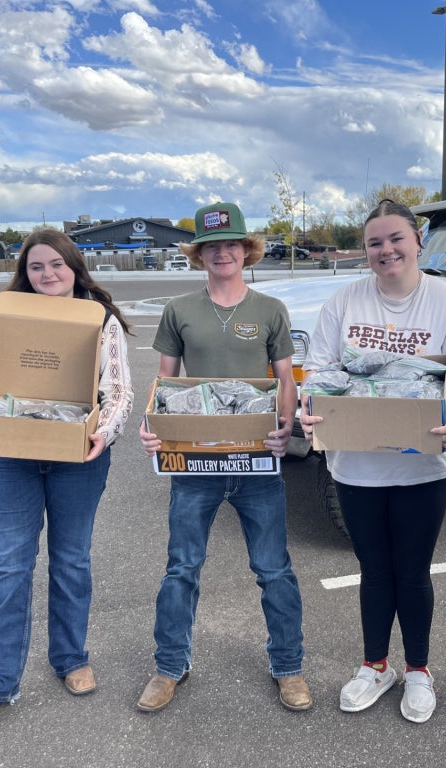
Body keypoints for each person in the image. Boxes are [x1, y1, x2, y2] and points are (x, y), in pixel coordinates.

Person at [299, 198, 446, 723]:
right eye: (374, 243)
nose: (386, 250)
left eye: (396, 239)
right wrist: (309, 406)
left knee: (413, 572)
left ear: (418, 242)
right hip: (355, 466)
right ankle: (376, 666)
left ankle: (420, 671)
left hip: (423, 467)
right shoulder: (344, 302)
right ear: (365, 252)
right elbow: (316, 372)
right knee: (374, 571)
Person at [136, 202, 311, 713]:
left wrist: (286, 429)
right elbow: (166, 383)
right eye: (212, 245)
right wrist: (155, 428)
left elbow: (283, 380)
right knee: (181, 569)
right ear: (201, 254)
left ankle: (289, 667)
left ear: (246, 250)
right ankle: (170, 666)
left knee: (274, 569)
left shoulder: (270, 309)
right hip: (195, 464)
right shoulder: (180, 310)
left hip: (256, 462)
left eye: (231, 244)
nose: (222, 252)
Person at [0, 229, 134, 717]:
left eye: (56, 264)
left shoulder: (101, 322)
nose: (47, 274)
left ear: (74, 267)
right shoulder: (6, 315)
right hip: (13, 451)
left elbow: (118, 390)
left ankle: (71, 659)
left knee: (71, 560)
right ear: (24, 273)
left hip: (78, 453)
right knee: (10, 563)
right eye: (36, 267)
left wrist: (106, 431)